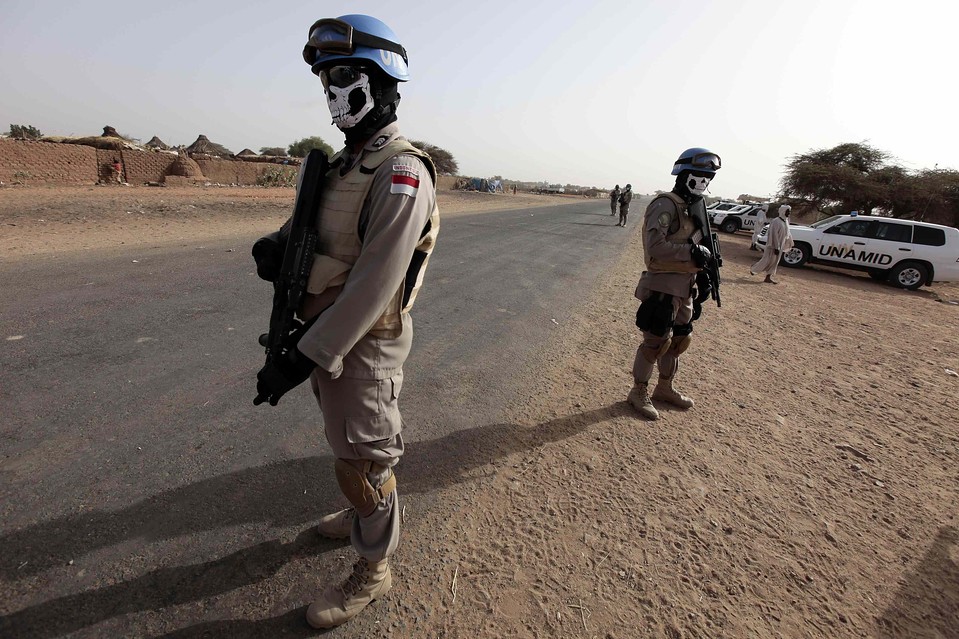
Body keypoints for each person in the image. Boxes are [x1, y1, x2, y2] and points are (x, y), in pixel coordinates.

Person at [253, 14, 439, 628]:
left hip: (362, 346)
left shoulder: (401, 171)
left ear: (382, 83)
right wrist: (275, 246)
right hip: (323, 339)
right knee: (347, 445)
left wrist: (301, 356)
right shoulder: (342, 164)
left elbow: (374, 284)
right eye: (326, 80)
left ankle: (374, 569)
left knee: (365, 462)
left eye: (344, 78)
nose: (333, 92)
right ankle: (361, 515)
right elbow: (310, 230)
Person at [627, 148, 721, 420]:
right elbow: (655, 247)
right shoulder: (665, 205)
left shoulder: (695, 207)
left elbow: (699, 243)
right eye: (698, 176)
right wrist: (691, 253)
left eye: (708, 178)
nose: (703, 182)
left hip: (686, 286)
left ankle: (665, 388)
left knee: (679, 340)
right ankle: (638, 391)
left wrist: (703, 273)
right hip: (663, 284)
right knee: (656, 342)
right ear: (683, 175)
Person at [750, 205, 791, 283]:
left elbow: (787, 233)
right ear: (783, 211)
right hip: (773, 245)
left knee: (775, 262)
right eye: (788, 211)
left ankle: (768, 277)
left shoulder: (785, 221)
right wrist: (776, 247)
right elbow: (773, 235)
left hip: (780, 245)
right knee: (767, 260)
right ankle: (754, 269)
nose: (789, 213)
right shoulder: (776, 221)